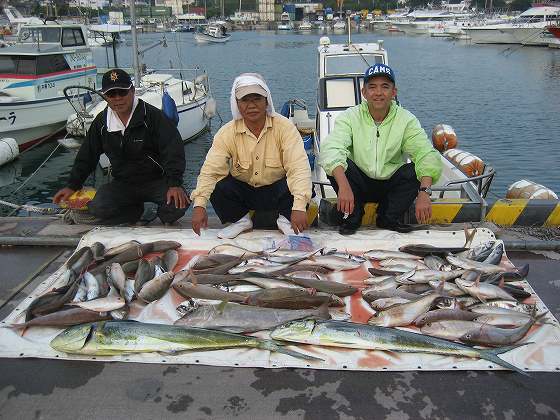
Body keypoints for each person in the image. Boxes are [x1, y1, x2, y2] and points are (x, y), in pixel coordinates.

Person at [53, 68, 189, 225]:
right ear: (105, 96)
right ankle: (138, 212)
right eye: (112, 94)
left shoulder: (153, 116)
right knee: (98, 208)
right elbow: (87, 155)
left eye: (122, 92)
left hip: (156, 181)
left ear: (132, 91)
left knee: (178, 206)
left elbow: (173, 150)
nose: (118, 98)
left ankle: (151, 213)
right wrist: (72, 185)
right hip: (123, 183)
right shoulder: (101, 123)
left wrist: (174, 184)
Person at [318, 63, 442, 235]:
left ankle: (388, 218)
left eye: (385, 87)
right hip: (358, 182)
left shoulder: (406, 119)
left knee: (413, 170)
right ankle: (353, 217)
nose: (378, 92)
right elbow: (332, 148)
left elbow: (425, 153)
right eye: (372, 87)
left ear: (394, 92)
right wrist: (344, 186)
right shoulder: (350, 116)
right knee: (338, 166)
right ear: (364, 92)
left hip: (389, 183)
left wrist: (424, 192)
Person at [190, 73, 312, 239]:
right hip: (245, 191)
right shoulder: (226, 133)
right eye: (245, 100)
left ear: (266, 101)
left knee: (303, 184)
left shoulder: (285, 128)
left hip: (277, 191)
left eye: (257, 99)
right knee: (218, 184)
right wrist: (199, 205)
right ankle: (240, 220)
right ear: (237, 104)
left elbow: (298, 167)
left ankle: (286, 219)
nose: (251, 105)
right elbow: (210, 171)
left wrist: (299, 207)